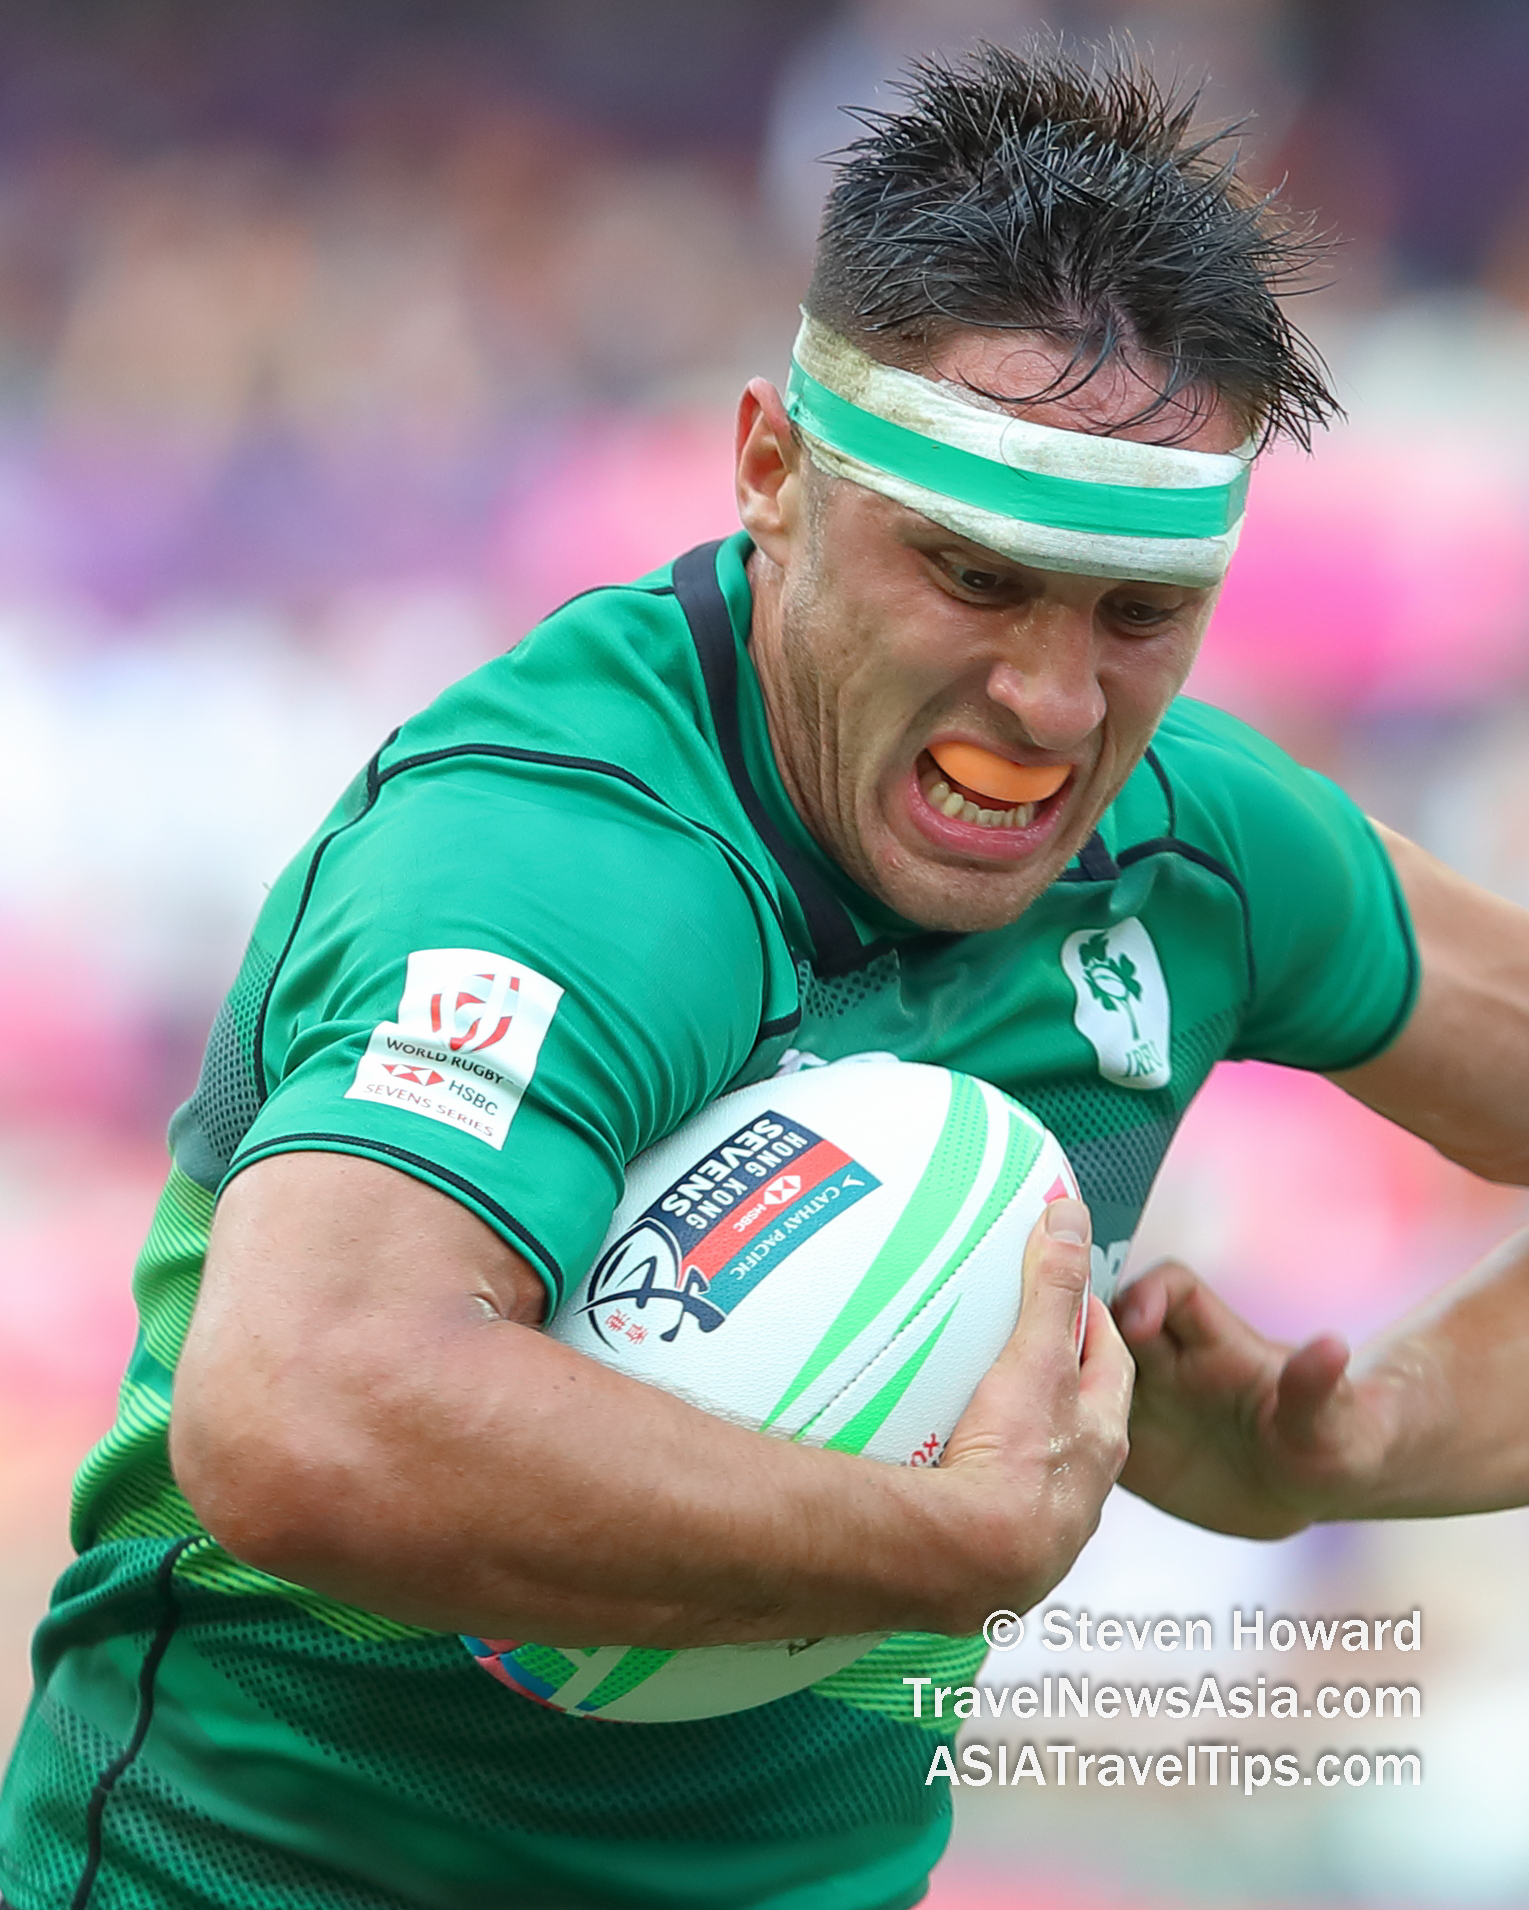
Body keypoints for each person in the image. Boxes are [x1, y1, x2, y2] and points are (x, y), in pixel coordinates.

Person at [4, 41, 1528, 1910]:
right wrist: (939, 1538)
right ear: (771, 471)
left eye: (1137, 615)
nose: (1053, 707)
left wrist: (1364, 1436)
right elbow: (304, 1406)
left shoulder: (1197, 851)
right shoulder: (560, 857)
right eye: (970, 577)